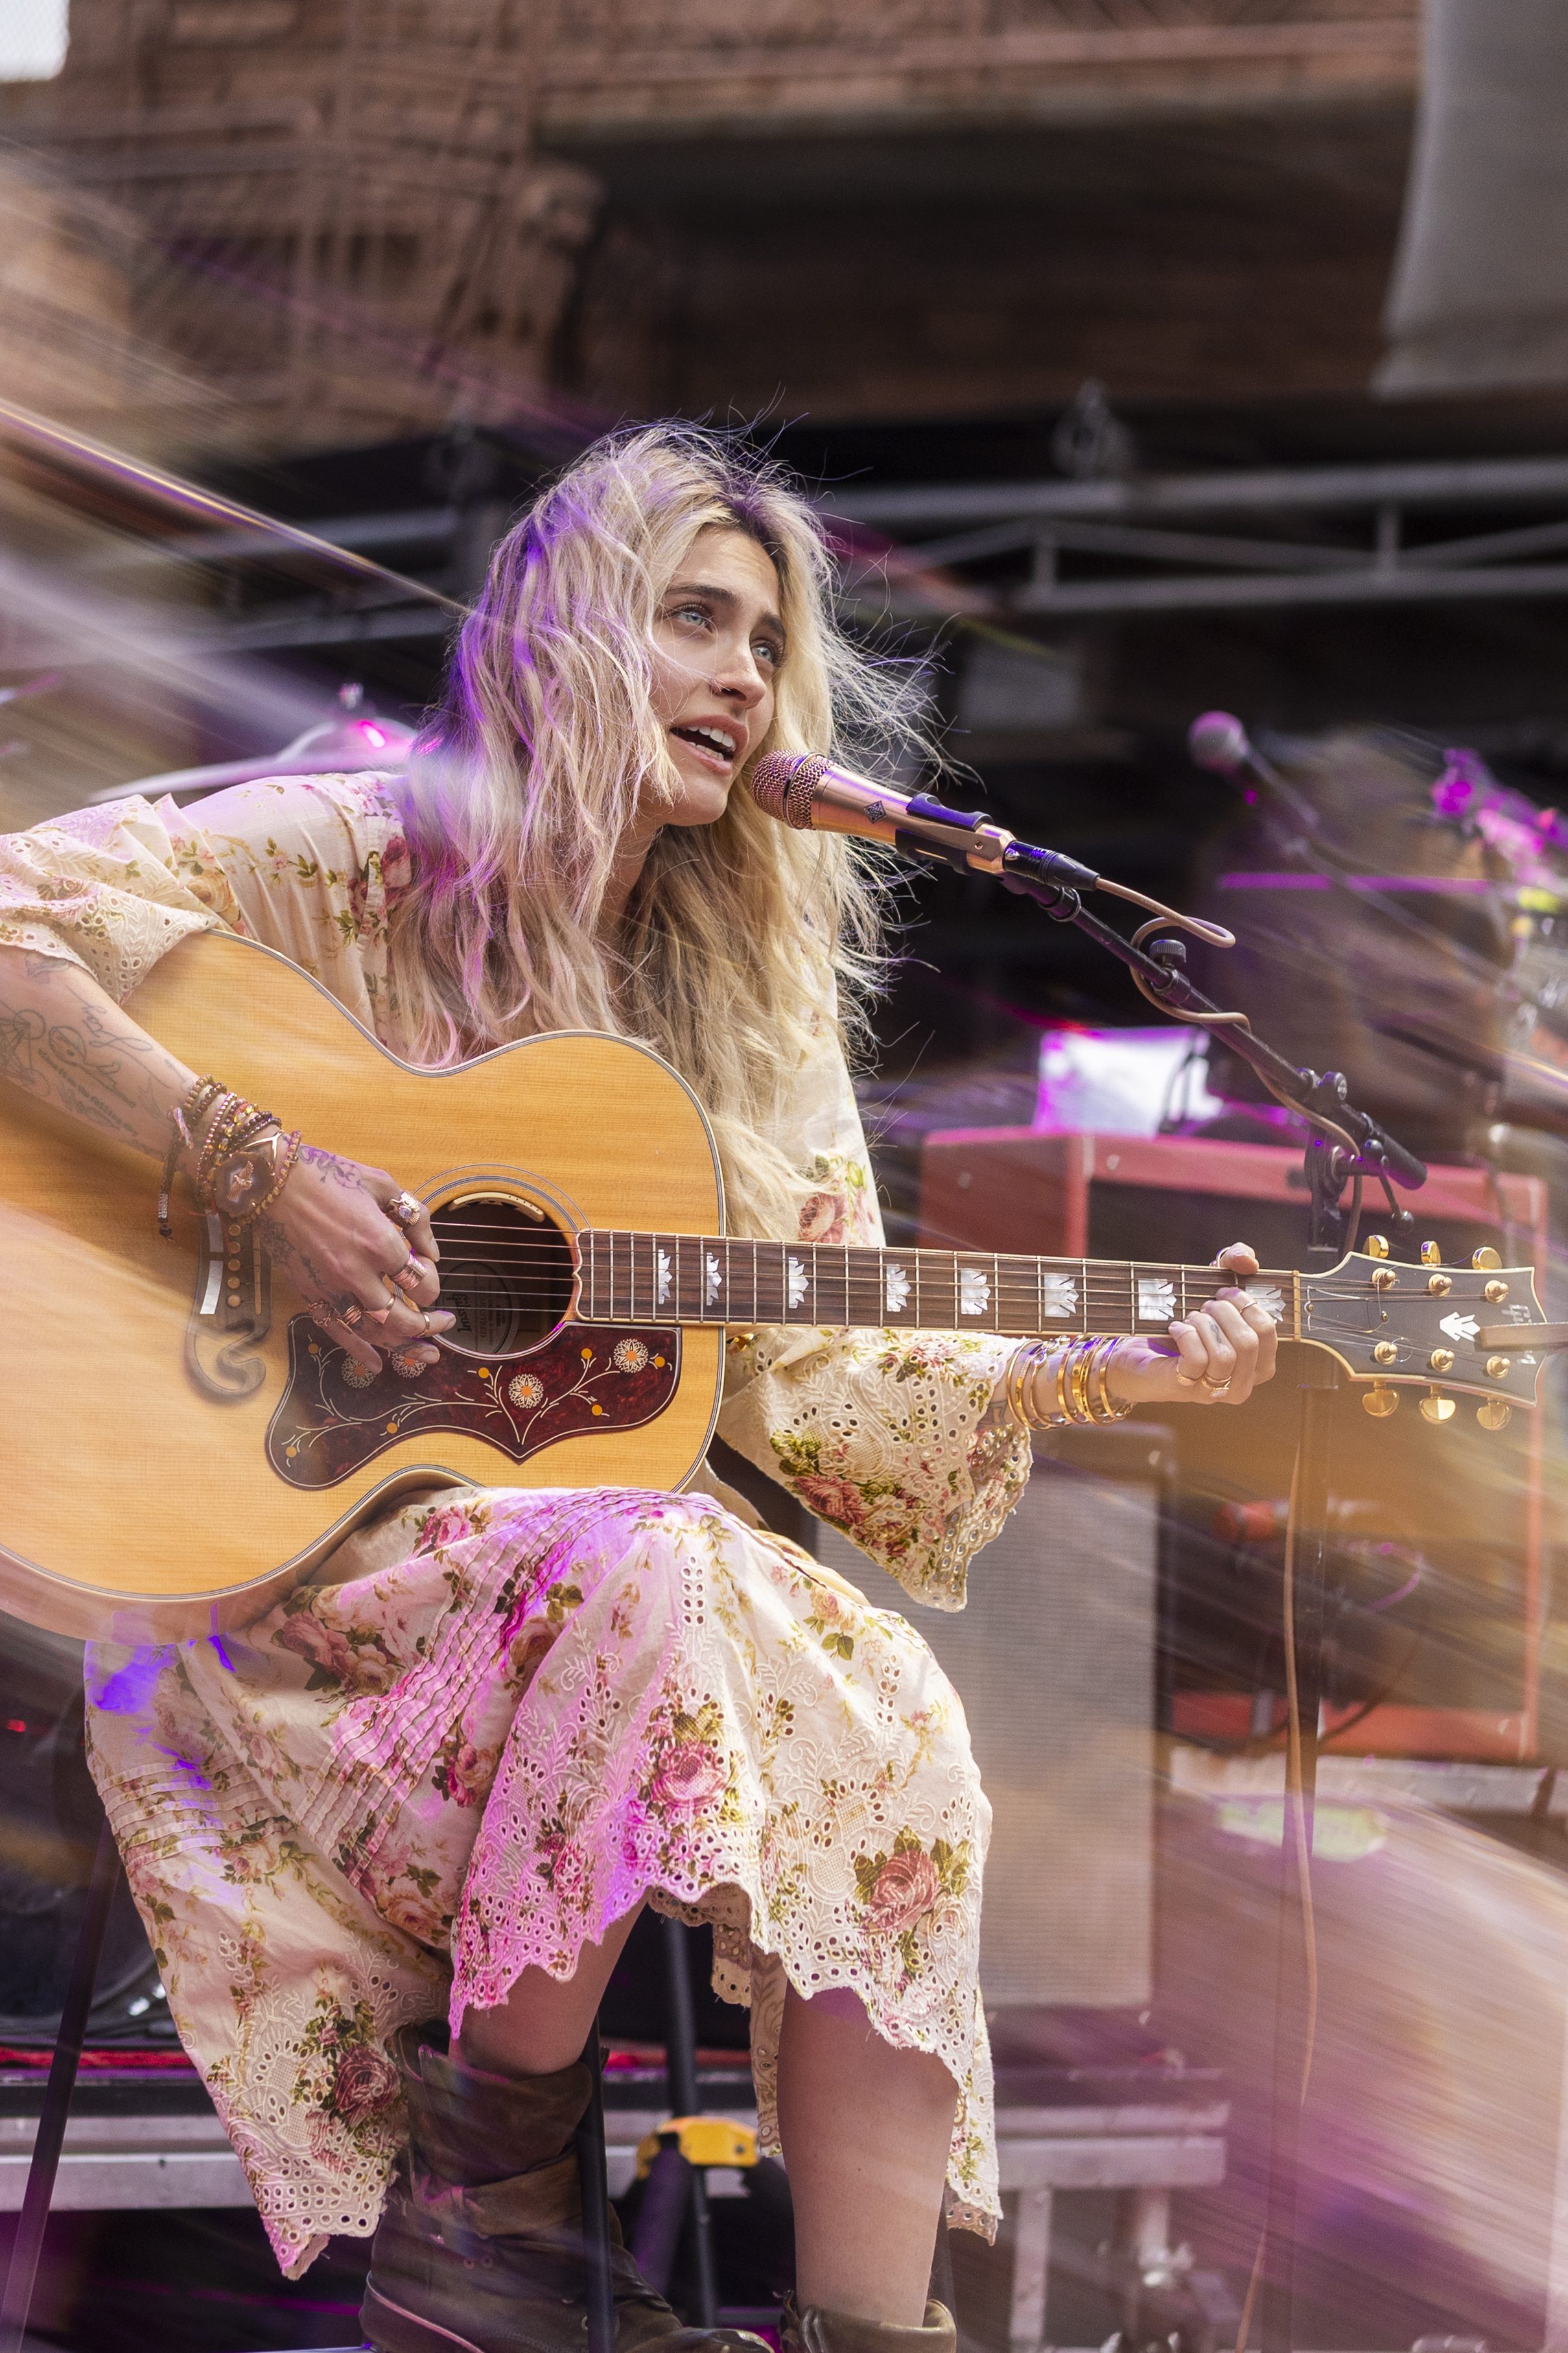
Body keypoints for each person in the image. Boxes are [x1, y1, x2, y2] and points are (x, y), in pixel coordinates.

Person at [0, 426, 1278, 2353]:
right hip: (282, 1576)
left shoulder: (735, 1023)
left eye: (768, 646)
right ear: (555, 635)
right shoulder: (351, 848)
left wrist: (1090, 1369)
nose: (744, 683)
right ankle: (485, 2228)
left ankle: (868, 2327)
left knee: (892, 1706)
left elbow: (822, 1377)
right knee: (660, 1571)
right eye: (693, 619)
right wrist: (255, 1170)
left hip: (565, 1593)